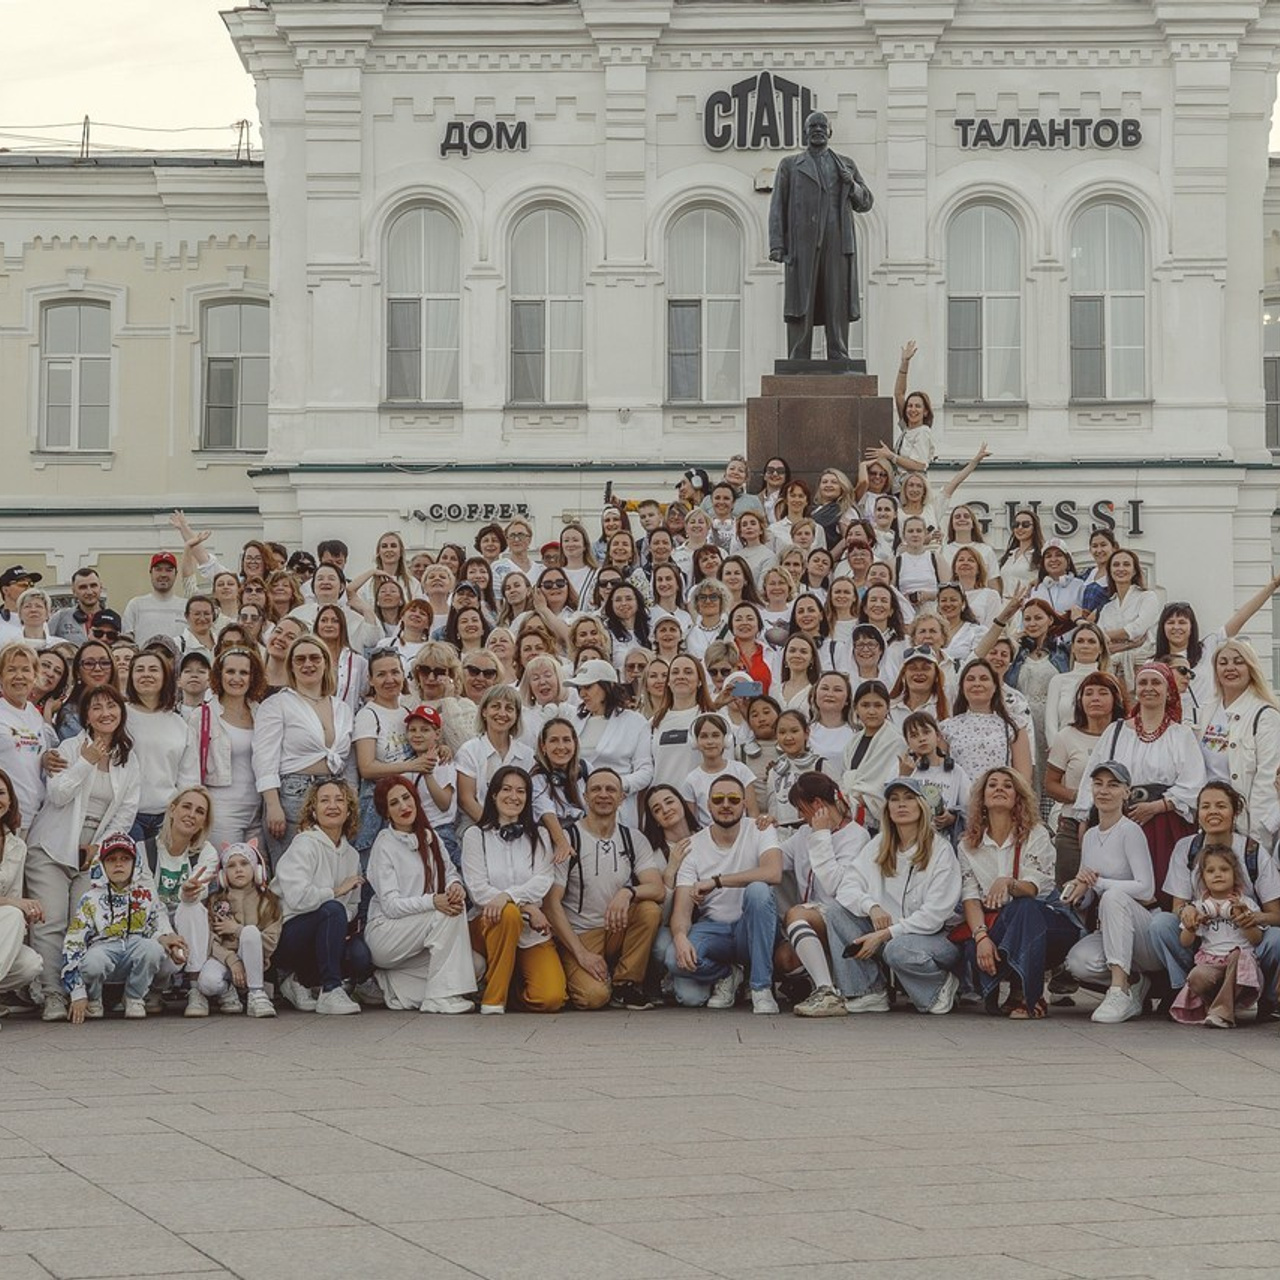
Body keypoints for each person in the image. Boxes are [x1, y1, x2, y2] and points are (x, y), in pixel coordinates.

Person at [26, 685, 141, 1022]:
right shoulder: (69, 748)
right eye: (97, 708)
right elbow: (58, 794)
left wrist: (99, 847)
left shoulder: (128, 758)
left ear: (121, 712)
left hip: (92, 853)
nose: (106, 713)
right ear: (86, 716)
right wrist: (86, 762)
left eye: (112, 706)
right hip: (52, 846)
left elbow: (126, 811)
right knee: (51, 922)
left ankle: (80, 991)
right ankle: (52, 994)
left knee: (85, 923)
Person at [819, 776, 962, 1015]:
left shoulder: (940, 850)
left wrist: (886, 934)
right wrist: (871, 906)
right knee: (835, 911)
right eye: (894, 799)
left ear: (921, 805)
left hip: (936, 938)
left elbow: (935, 915)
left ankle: (939, 986)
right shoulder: (879, 844)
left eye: (909, 798)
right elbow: (847, 886)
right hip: (891, 934)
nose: (901, 804)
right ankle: (869, 992)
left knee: (897, 949)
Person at [1148, 781, 1280, 1017]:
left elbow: (1276, 914)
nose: (1213, 812)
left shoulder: (1252, 851)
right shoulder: (1186, 848)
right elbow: (1178, 905)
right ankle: (1182, 988)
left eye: (1221, 806)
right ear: (1198, 813)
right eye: (1206, 807)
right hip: (1203, 943)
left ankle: (1266, 998)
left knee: (1277, 938)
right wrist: (1188, 912)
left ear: (1235, 811)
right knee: (1160, 924)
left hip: (1245, 944)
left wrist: (1251, 917)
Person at [956, 767, 1079, 1019]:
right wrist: (981, 938)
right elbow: (970, 897)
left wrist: (1009, 883)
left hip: (1049, 927)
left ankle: (1030, 994)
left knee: (1024, 907)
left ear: (1018, 797)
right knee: (974, 943)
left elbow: (1034, 888)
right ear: (982, 797)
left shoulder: (1036, 833)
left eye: (1007, 785)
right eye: (992, 785)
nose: (999, 789)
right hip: (1001, 925)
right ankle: (1012, 989)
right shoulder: (968, 845)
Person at [1075, 661, 1205, 897]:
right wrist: (1084, 817)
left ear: (1169, 691)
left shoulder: (1181, 734)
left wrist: (1157, 807)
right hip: (1119, 817)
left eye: (1156, 682)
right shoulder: (1116, 731)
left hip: (1163, 824)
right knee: (1117, 886)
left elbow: (1194, 782)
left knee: (1160, 886)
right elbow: (1093, 775)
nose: (1149, 688)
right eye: (1143, 682)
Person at [543, 768, 665, 1010]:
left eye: (611, 789)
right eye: (596, 789)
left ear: (621, 798)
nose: (603, 794)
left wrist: (627, 892)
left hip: (616, 927)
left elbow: (657, 889)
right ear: (585, 796)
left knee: (649, 910)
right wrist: (581, 954)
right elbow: (551, 904)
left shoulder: (633, 839)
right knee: (594, 997)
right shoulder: (568, 839)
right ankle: (581, 974)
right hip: (580, 934)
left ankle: (625, 984)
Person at [664, 774, 783, 1013]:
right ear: (708, 805)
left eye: (733, 799)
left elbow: (773, 873)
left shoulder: (760, 829)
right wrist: (680, 937)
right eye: (718, 799)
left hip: (751, 927)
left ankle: (761, 988)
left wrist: (717, 881)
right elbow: (682, 911)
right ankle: (728, 974)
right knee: (672, 959)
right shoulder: (693, 846)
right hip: (714, 929)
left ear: (744, 803)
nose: (726, 805)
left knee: (758, 890)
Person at [767, 110, 874, 361]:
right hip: (802, 243)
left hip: (837, 241)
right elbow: (777, 205)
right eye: (812, 126)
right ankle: (798, 356)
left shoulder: (845, 165)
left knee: (837, 297)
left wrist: (853, 185)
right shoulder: (790, 165)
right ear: (805, 132)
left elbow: (866, 202)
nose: (817, 130)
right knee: (802, 298)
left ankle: (838, 352)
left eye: (822, 126)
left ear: (830, 132)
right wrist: (777, 245)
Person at [364, 776, 475, 1013]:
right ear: (386, 813)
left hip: (420, 933)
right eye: (394, 803)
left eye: (407, 798)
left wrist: (455, 886)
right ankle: (438, 998)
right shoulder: (384, 845)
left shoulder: (430, 836)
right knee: (448, 914)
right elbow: (391, 906)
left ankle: (394, 983)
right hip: (387, 934)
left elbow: (450, 872)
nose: (403, 806)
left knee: (475, 966)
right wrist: (433, 901)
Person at [1061, 762, 1161, 1024]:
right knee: (1077, 962)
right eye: (1098, 784)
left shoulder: (1130, 831)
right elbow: (1088, 893)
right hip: (1110, 929)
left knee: (1114, 896)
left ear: (1126, 792)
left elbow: (1146, 887)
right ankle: (1135, 982)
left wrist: (1100, 884)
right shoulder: (1090, 836)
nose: (1104, 791)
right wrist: (1079, 889)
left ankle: (1119, 991)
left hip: (1144, 931)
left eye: (1113, 785)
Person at [461, 765, 565, 1014]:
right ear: (494, 795)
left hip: (531, 930)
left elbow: (543, 880)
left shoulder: (540, 835)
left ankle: (511, 987)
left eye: (521, 791)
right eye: (506, 789)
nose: (513, 796)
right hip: (489, 924)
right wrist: (525, 906)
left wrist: (510, 897)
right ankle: (493, 1000)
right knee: (507, 914)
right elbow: (477, 890)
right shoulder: (475, 835)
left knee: (551, 998)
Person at [61, 832, 188, 1023]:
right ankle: (94, 999)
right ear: (102, 865)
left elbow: (155, 928)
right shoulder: (90, 899)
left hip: (133, 950)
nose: (118, 864)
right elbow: (73, 942)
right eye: (111, 860)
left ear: (135, 863)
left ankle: (134, 997)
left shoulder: (145, 895)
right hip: (103, 951)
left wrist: (165, 939)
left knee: (153, 949)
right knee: (93, 961)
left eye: (125, 859)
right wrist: (77, 993)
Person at [270, 778, 371, 1016]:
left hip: (327, 927)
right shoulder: (304, 845)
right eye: (324, 800)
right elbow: (298, 899)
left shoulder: (352, 855)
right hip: (288, 935)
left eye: (339, 800)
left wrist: (337, 922)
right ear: (313, 811)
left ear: (348, 811)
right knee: (333, 909)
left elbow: (353, 905)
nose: (332, 806)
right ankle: (330, 990)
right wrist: (336, 893)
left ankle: (300, 981)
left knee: (360, 957)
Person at [254, 636, 355, 865]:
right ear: (290, 666)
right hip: (293, 796)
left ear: (325, 662)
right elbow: (264, 758)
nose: (308, 664)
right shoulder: (277, 704)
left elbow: (348, 761)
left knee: (329, 870)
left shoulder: (342, 708)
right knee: (294, 872)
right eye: (300, 659)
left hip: (333, 796)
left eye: (314, 658)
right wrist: (273, 805)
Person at [135, 786, 220, 1015]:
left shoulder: (206, 852)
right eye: (186, 807)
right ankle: (155, 987)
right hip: (154, 926)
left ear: (203, 823)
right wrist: (166, 935)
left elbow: (199, 892)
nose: (191, 814)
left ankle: (195, 987)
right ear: (172, 810)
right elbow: (149, 903)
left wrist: (189, 893)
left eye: (200, 812)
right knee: (158, 950)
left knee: (191, 907)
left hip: (189, 929)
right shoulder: (144, 850)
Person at [1195, 639, 1280, 847]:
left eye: (1238, 662)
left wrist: (1256, 840)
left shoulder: (1265, 715)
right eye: (1223, 662)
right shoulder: (1206, 711)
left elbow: (1266, 781)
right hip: (1210, 823)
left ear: (1251, 668)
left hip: (1244, 826)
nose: (1230, 668)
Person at [1044, 671, 1127, 883]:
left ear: (1115, 699)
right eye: (1089, 693)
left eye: (1103, 693)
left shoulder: (1127, 736)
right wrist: (1083, 797)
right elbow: (1050, 784)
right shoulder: (1066, 736)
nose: (1095, 698)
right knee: (1070, 890)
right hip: (1073, 824)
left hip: (1118, 826)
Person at [1170, 845, 1264, 1028]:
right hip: (1212, 962)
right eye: (1211, 871)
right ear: (1203, 877)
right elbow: (1184, 942)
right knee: (1196, 976)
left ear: (1235, 874)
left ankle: (1221, 1013)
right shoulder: (1199, 907)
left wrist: (1243, 920)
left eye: (1224, 869)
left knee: (1239, 955)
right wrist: (1191, 926)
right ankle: (1219, 1006)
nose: (1218, 874)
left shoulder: (1246, 903)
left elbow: (1256, 939)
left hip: (1241, 968)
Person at [192, 842, 281, 1018]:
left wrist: (237, 929)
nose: (238, 869)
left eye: (244, 863)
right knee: (207, 983)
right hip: (224, 960)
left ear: (257, 869)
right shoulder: (216, 901)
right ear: (223, 875)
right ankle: (227, 990)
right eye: (231, 866)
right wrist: (232, 960)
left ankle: (256, 993)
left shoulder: (268, 901)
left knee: (250, 932)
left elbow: (271, 942)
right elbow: (210, 941)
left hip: (255, 961)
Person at [192, 645, 266, 850]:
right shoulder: (203, 715)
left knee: (259, 868)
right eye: (230, 671)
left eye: (244, 672)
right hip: (222, 810)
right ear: (219, 675)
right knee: (226, 866)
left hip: (258, 809)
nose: (237, 678)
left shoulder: (262, 713)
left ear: (253, 677)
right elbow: (191, 767)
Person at [565, 659, 653, 826]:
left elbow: (645, 771)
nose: (582, 694)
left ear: (608, 686)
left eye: (588, 687)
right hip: (579, 808)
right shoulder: (573, 721)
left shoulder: (635, 721)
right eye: (579, 688)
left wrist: (616, 786)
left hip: (619, 809)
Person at [946, 658, 1033, 786]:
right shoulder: (947, 728)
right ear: (962, 687)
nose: (977, 684)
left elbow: (1023, 778)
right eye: (970, 679)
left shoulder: (1015, 726)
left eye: (984, 679)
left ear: (995, 687)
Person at [0, 644, 56, 836]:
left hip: (33, 817)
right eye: (11, 670)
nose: (19, 676)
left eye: (25, 670)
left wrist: (46, 758)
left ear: (34, 676)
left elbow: (34, 757)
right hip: (4, 816)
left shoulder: (34, 714)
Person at [0, 769, 42, 1007]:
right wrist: (15, 905)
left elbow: (13, 899)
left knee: (30, 964)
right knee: (13, 913)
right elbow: (12, 903)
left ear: (10, 800)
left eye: (1, 793)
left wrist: (27, 912)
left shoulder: (17, 846)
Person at [842, 680, 905, 831]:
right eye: (865, 705)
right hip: (851, 814)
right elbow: (848, 777)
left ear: (887, 708)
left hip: (881, 822)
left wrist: (864, 798)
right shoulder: (853, 742)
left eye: (878, 705)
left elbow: (888, 784)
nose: (871, 711)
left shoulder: (896, 741)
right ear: (856, 708)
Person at [680, 713, 759, 826]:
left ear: (726, 739)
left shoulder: (741, 770)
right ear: (695, 741)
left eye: (715, 735)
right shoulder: (691, 780)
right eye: (704, 736)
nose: (710, 741)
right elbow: (692, 824)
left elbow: (753, 814)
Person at [121, 552, 187, 645]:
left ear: (176, 574)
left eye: (169, 570)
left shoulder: (186, 606)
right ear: (151, 573)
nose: (163, 574)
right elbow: (126, 641)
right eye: (158, 569)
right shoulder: (136, 605)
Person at [49, 567, 107, 645]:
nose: (89, 592)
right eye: (83, 587)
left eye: (93, 586)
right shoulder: (60, 617)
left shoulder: (113, 618)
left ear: (101, 588)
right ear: (74, 591)